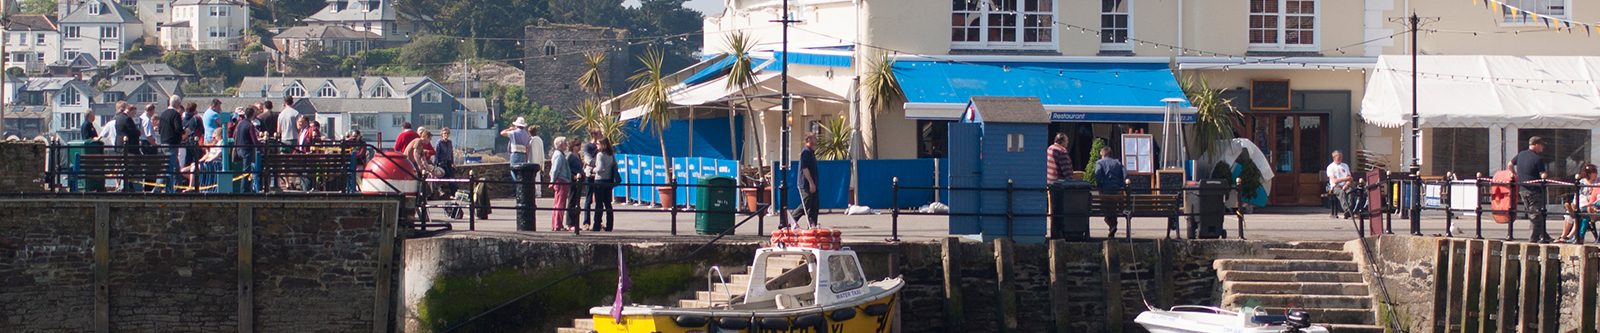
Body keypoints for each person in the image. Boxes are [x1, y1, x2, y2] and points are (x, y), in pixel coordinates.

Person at [1514, 136, 1553, 243]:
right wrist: (1546, 175)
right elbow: (1543, 175)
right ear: (1536, 144)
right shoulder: (1538, 159)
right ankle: (1533, 240)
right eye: (1541, 145)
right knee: (1536, 215)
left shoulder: (1521, 154)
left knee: (1533, 214)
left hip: (1523, 189)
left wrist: (1515, 175)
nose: (1543, 148)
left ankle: (1544, 235)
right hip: (1534, 190)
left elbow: (1509, 164)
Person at [1559, 163, 1599, 243]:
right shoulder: (1582, 182)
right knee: (1571, 214)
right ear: (1590, 174)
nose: (1596, 174)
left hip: (1590, 204)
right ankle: (1564, 235)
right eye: (1594, 172)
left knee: (1579, 214)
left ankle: (1569, 236)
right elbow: (1579, 194)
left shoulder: (1598, 182)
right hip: (1582, 202)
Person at [1093, 146, 1127, 238]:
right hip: (1117, 191)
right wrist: (1120, 184)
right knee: (1113, 208)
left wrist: (1099, 186)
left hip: (1105, 190)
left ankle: (1112, 225)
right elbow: (1124, 174)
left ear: (1103, 154)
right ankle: (1113, 225)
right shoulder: (1118, 163)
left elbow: (1098, 174)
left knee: (1106, 209)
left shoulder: (1099, 162)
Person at [790, 133, 821, 229]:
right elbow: (805, 168)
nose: (816, 140)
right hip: (805, 183)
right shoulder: (805, 152)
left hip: (813, 182)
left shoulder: (811, 152)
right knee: (806, 202)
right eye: (814, 138)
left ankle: (812, 224)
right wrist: (811, 182)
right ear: (809, 140)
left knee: (814, 204)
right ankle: (791, 219)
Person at [591, 137, 616, 231]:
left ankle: (596, 225)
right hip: (608, 180)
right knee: (608, 204)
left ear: (602, 145)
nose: (596, 145)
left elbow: (600, 168)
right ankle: (610, 225)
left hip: (600, 180)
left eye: (598, 144)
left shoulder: (600, 155)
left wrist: (593, 170)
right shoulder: (611, 154)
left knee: (599, 204)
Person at [503, 117, 533, 195]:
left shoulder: (513, 133)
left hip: (515, 154)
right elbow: (527, 148)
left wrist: (510, 129)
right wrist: (526, 158)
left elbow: (502, 133)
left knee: (513, 171)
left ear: (516, 125)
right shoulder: (526, 134)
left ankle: (518, 189)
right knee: (521, 173)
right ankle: (522, 189)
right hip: (523, 154)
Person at [549, 137, 571, 231]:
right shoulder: (559, 155)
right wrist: (552, 181)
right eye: (565, 143)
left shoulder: (559, 154)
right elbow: (555, 170)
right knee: (560, 203)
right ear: (561, 144)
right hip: (561, 181)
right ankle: (558, 224)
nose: (567, 144)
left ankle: (556, 224)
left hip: (561, 180)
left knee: (558, 203)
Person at [581, 130, 600, 228]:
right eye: (597, 133)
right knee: (588, 199)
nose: (599, 135)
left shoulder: (602, 146)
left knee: (599, 199)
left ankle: (598, 222)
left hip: (599, 175)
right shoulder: (588, 146)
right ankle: (586, 222)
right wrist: (599, 164)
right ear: (592, 135)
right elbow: (587, 160)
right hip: (590, 174)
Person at [564, 138, 585, 230]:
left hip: (579, 180)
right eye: (577, 145)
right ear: (572, 146)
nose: (579, 146)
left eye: (580, 144)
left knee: (577, 202)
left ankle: (576, 222)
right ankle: (570, 223)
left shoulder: (578, 155)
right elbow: (566, 169)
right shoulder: (570, 156)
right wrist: (573, 176)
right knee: (571, 201)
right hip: (573, 180)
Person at [1326, 151, 1354, 218]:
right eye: (1339, 157)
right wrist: (1345, 179)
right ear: (1334, 157)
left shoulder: (1345, 165)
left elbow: (1350, 178)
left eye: (1341, 157)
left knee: (1350, 191)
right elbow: (1335, 181)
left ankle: (1349, 210)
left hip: (1345, 185)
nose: (1341, 158)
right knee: (1341, 193)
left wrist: (1346, 185)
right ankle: (1347, 210)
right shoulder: (1330, 167)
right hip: (1335, 187)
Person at [158, 99, 185, 165]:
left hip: (163, 142)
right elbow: (178, 129)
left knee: (172, 166)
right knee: (171, 167)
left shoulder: (163, 114)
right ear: (176, 104)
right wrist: (184, 131)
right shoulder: (176, 114)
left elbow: (159, 129)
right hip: (172, 143)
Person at [434, 127, 457, 197]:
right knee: (440, 176)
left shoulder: (450, 142)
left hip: (448, 162)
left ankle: (454, 192)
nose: (446, 135)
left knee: (452, 177)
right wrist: (436, 164)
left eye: (447, 133)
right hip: (441, 162)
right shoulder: (439, 143)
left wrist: (453, 162)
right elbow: (437, 154)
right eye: (444, 133)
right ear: (442, 134)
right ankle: (440, 190)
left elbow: (451, 153)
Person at [528, 125, 547, 197]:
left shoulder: (533, 140)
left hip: (533, 162)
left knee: (535, 178)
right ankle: (538, 192)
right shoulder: (539, 139)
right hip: (539, 161)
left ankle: (536, 192)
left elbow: (533, 153)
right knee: (537, 178)